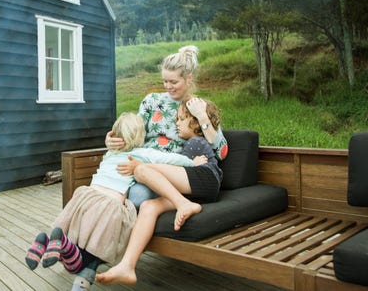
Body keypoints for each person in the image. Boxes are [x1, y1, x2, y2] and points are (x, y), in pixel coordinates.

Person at [24, 113, 204, 290]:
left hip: (86, 196)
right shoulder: (142, 153)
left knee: (76, 232)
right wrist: (192, 162)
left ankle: (49, 241)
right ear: (139, 137)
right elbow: (171, 159)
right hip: (110, 202)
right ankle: (67, 250)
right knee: (100, 244)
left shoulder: (110, 153)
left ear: (116, 136)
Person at [96, 98, 223, 286]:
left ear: (195, 122)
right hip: (193, 191)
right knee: (148, 207)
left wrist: (141, 164)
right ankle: (127, 266)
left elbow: (185, 165)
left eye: (181, 119)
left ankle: (183, 204)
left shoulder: (196, 143)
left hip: (206, 179)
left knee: (140, 170)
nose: (176, 123)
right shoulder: (184, 141)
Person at [106, 45, 228, 209]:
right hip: (140, 161)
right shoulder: (152, 101)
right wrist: (112, 140)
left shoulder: (198, 106)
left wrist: (202, 117)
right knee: (105, 191)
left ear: (189, 78)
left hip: (168, 172)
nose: (168, 86)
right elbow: (134, 134)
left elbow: (222, 152)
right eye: (165, 81)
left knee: (137, 196)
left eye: (173, 82)